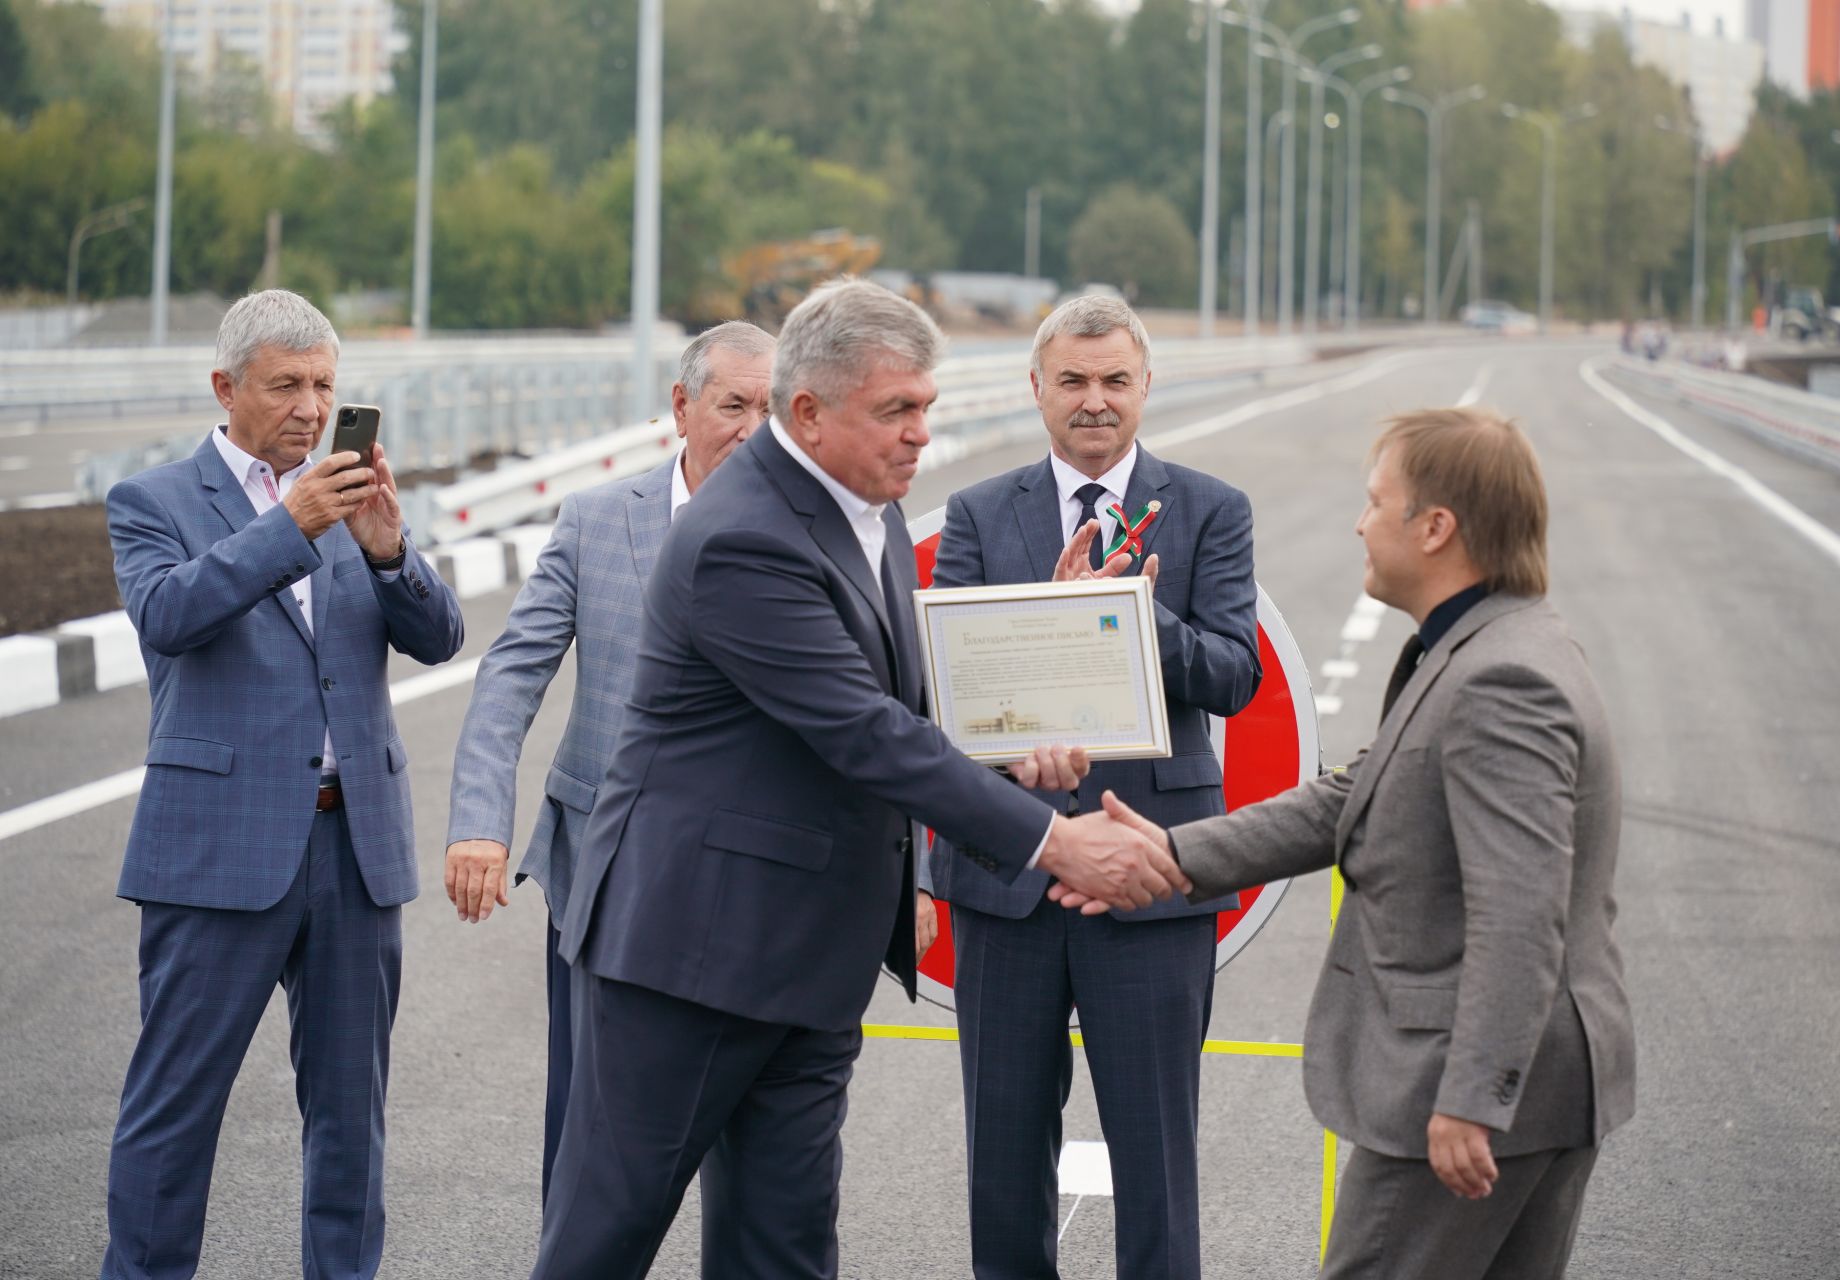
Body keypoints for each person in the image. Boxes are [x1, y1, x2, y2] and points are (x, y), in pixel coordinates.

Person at [530, 279, 1188, 1279]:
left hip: (807, 959)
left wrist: (1026, 721)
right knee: (601, 1241)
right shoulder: (742, 537)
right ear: (808, 413)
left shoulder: (865, 508)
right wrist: (1053, 837)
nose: (922, 433)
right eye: (897, 411)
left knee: (785, 1250)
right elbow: (864, 730)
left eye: (925, 406)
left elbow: (910, 696)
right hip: (691, 960)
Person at [1060, 406, 1635, 1280]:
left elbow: (1522, 915)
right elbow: (1350, 798)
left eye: (1377, 502)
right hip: (1529, 1086)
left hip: (1464, 1090)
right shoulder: (1488, 646)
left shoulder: (1500, 679)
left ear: (1436, 528)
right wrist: (1174, 857)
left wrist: (1472, 1100)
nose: (1360, 524)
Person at [98, 289, 465, 1279]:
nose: (310, 407)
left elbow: (440, 639)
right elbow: (171, 614)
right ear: (226, 388)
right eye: (286, 384)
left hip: (354, 846)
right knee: (174, 1112)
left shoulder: (351, 495)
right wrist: (292, 525)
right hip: (217, 846)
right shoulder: (155, 501)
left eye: (325, 385)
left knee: (352, 1119)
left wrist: (389, 547)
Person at [925, 295, 1260, 1278]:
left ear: (1146, 386)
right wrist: (1013, 757)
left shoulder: (1212, 509)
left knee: (1156, 1162)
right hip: (1009, 875)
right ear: (1037, 389)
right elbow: (958, 689)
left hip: (1151, 874)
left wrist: (1126, 613)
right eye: (1072, 380)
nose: (1095, 400)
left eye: (1115, 379)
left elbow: (1234, 674)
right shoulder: (980, 513)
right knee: (1001, 1163)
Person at [443, 320, 774, 1200]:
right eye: (733, 404)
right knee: (588, 1122)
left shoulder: (822, 531)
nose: (752, 427)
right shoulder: (595, 523)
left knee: (753, 1146)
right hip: (605, 867)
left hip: (754, 879)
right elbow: (512, 673)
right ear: (681, 406)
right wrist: (481, 820)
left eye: (773, 409)